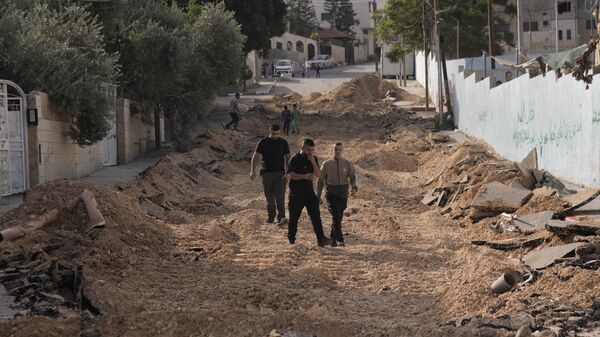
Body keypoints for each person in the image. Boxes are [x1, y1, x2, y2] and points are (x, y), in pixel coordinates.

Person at [287, 138, 331, 247]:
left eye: (312, 150)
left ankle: (321, 239)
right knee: (294, 218)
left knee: (316, 216)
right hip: (296, 194)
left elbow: (318, 174)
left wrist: (312, 161)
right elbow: (291, 174)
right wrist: (304, 176)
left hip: (309, 193)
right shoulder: (294, 159)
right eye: (308, 150)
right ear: (302, 148)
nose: (310, 152)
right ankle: (291, 239)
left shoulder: (313, 158)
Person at [317, 143, 358, 247]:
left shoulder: (347, 163)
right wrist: (318, 195)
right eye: (336, 149)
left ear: (342, 151)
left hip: (343, 194)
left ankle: (332, 239)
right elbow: (320, 180)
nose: (338, 151)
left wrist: (354, 187)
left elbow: (353, 176)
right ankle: (340, 240)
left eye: (340, 149)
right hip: (331, 193)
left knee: (338, 217)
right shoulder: (326, 164)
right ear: (332, 151)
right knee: (336, 215)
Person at [250, 124, 291, 225]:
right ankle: (271, 217)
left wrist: (288, 172)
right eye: (273, 134)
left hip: (280, 174)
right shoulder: (263, 142)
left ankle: (281, 217)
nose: (275, 136)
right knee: (269, 197)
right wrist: (252, 170)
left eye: (277, 134)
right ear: (269, 131)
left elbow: (288, 158)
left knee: (280, 197)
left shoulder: (283, 142)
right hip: (266, 173)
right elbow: (255, 156)